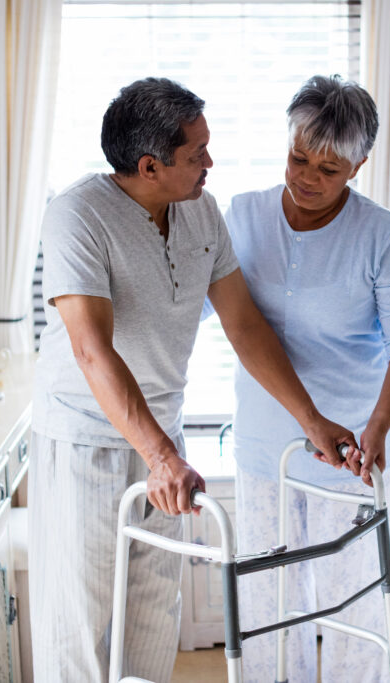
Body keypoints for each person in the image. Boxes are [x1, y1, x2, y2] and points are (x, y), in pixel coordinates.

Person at [29, 77, 357, 683]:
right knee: (80, 619)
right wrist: (158, 457)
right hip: (86, 440)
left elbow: (245, 326)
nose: (211, 161)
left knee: (155, 607)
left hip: (164, 440)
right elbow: (90, 349)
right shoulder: (77, 215)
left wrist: (311, 421)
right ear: (150, 166)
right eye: (197, 153)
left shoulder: (200, 210)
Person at [222, 74, 390, 682]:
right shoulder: (242, 216)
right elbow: (207, 312)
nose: (308, 177)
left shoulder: (379, 234)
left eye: (330, 168)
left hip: (347, 452)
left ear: (360, 164)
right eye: (298, 157)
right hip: (264, 446)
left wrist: (380, 425)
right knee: (266, 608)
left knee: (353, 608)